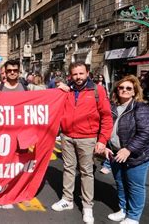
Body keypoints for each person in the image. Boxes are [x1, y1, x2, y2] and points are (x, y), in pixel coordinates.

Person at [52, 61, 113, 224]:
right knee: (68, 169)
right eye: (75, 74)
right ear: (70, 75)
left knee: (86, 173)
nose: (78, 77)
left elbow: (107, 117)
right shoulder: (67, 90)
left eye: (81, 73)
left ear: (87, 73)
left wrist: (102, 140)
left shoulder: (97, 90)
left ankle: (87, 207)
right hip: (67, 136)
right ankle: (67, 199)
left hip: (88, 138)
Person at [105, 75, 149, 224]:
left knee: (135, 186)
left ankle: (133, 217)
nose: (125, 90)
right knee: (120, 182)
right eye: (121, 87)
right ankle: (123, 209)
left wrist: (128, 149)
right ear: (116, 89)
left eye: (129, 88)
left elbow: (146, 132)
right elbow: (105, 127)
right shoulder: (111, 107)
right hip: (115, 153)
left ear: (134, 92)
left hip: (137, 155)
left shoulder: (141, 108)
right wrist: (105, 146)